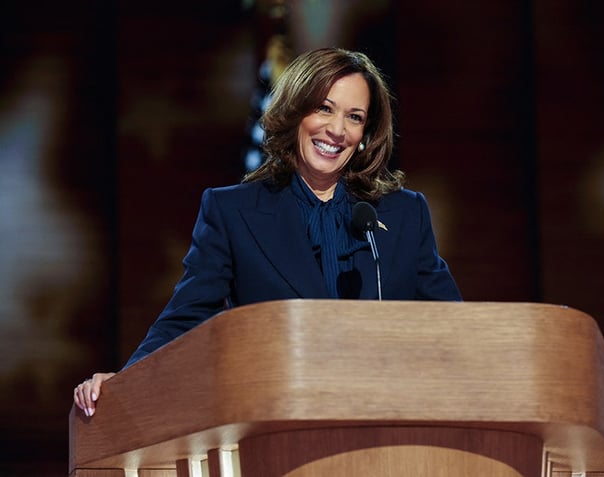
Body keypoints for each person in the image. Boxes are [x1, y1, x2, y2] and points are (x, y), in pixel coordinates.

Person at [73, 47, 461, 417]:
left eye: (355, 117)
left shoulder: (404, 214)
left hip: (388, 423)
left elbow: (455, 326)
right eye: (324, 108)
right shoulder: (234, 212)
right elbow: (185, 317)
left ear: (366, 134)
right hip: (279, 425)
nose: (337, 129)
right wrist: (125, 382)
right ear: (295, 113)